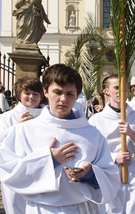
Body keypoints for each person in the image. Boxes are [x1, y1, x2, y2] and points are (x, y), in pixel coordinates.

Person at [0, 64, 119, 214]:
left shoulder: (93, 134)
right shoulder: (25, 130)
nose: (63, 99)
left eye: (70, 94)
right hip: (41, 209)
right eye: (57, 92)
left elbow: (111, 176)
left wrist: (89, 174)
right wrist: (50, 159)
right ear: (45, 92)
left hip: (81, 208)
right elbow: (8, 170)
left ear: (77, 95)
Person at [88, 74, 135, 214]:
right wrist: (114, 158)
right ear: (106, 91)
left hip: (134, 174)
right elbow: (91, 153)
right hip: (108, 174)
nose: (121, 91)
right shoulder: (96, 120)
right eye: (117, 88)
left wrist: (132, 133)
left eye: (124, 88)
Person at [0, 76, 45, 214]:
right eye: (27, 93)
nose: (31, 97)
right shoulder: (7, 118)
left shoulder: (47, 116)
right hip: (15, 171)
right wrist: (17, 128)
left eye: (36, 94)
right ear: (19, 95)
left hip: (40, 171)